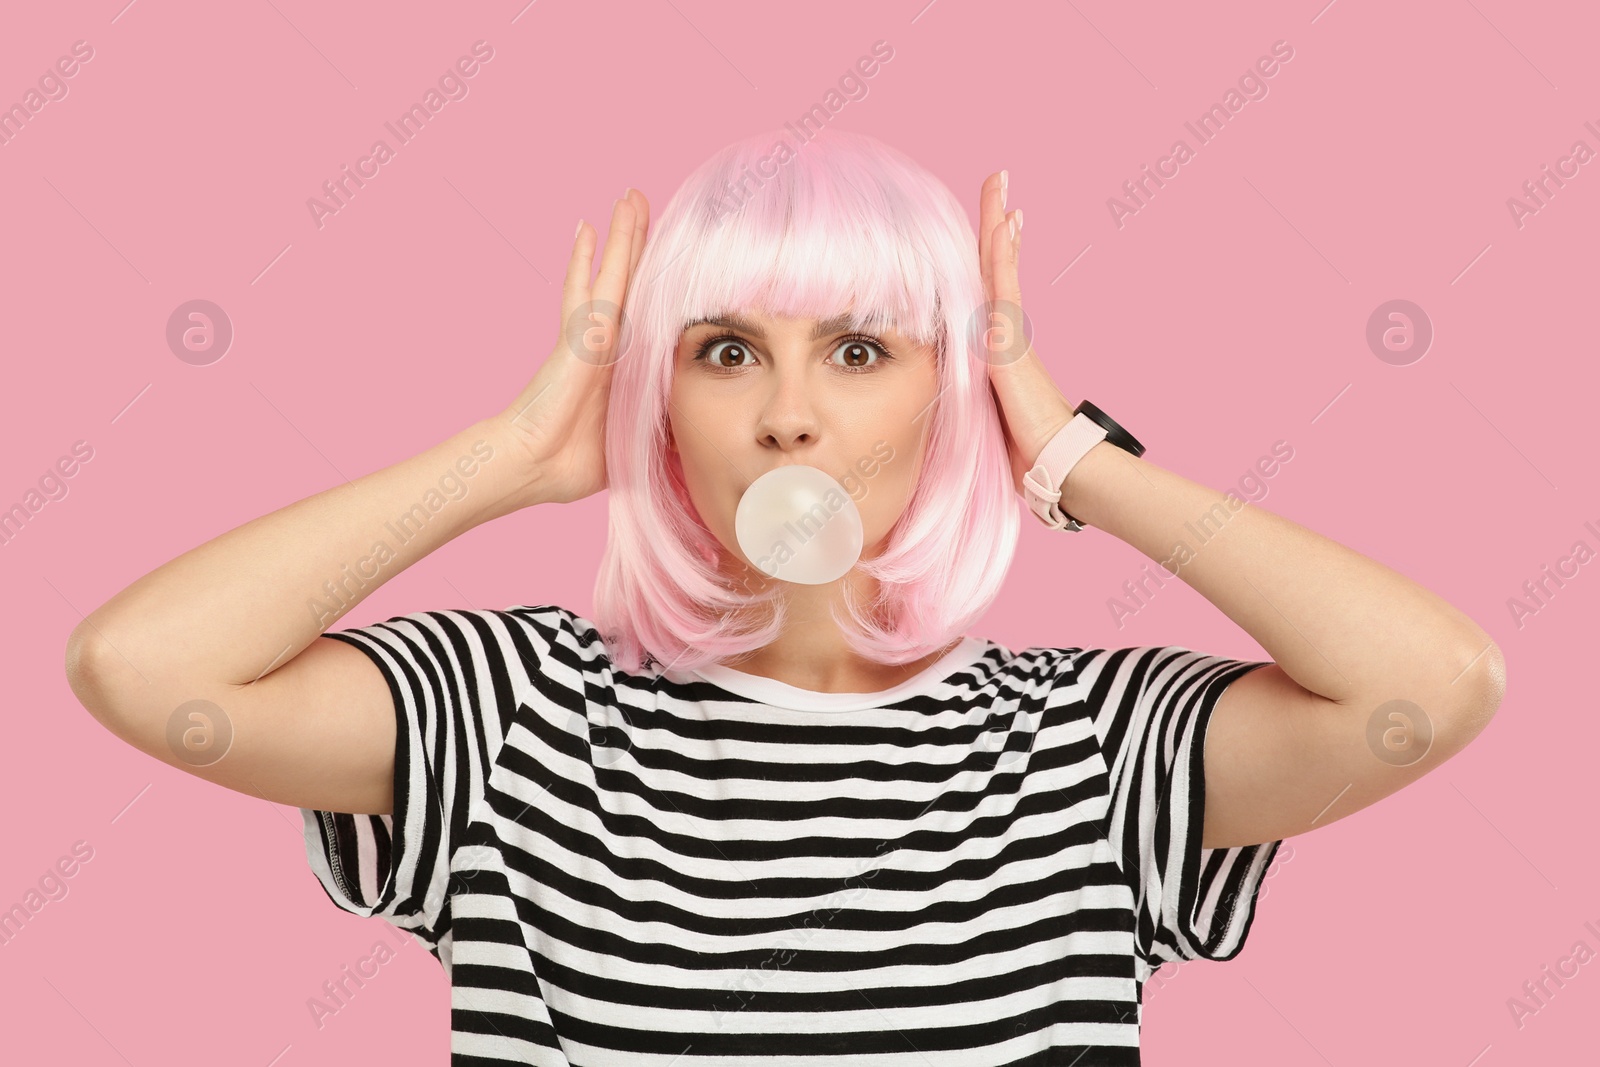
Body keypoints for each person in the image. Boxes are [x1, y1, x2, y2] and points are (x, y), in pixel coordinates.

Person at [65, 129, 1506, 1064]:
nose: (792, 418)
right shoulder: (508, 712)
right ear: (659, 391)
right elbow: (145, 668)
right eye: (727, 350)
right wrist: (507, 459)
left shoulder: (1090, 747)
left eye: (865, 351)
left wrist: (1064, 449)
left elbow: (1428, 689)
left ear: (953, 393)